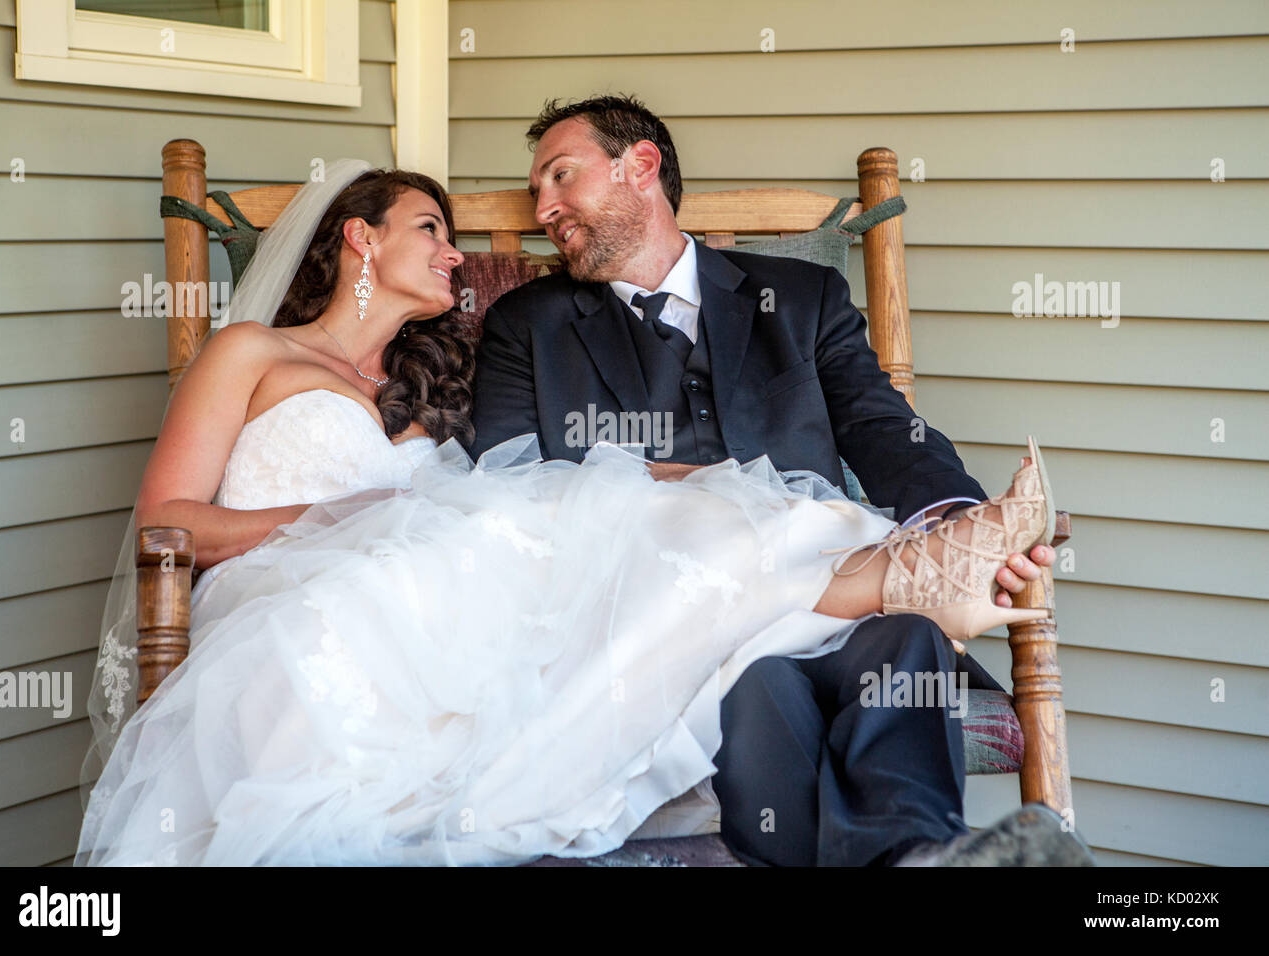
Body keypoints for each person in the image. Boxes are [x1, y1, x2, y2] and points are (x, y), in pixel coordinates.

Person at [76, 155, 1059, 868]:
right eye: (432, 231)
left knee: (594, 505)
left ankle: (922, 567)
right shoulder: (252, 353)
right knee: (570, 508)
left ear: (640, 168)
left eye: (460, 241)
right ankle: (914, 568)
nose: (457, 258)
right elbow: (171, 521)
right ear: (357, 235)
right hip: (310, 609)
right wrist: (349, 522)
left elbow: (879, 426)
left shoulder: (429, 395)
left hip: (427, 601)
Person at [468, 94, 1092, 866]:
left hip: (838, 601)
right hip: (670, 615)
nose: (544, 207)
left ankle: (920, 855)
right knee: (760, 687)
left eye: (561, 176)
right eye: (535, 192)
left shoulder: (799, 298)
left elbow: (880, 424)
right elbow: (510, 486)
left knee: (905, 646)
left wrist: (954, 517)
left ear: (642, 166)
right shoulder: (528, 324)